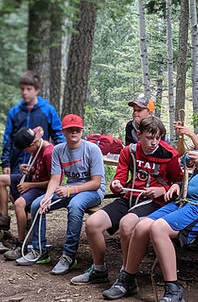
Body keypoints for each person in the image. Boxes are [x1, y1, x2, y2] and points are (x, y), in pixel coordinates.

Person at [102, 113, 198, 302]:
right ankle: (128, 278)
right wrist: (177, 181)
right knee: (141, 225)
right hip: (184, 202)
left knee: (158, 228)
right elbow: (182, 168)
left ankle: (173, 289)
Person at [70, 116, 182, 286]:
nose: (154, 142)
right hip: (129, 198)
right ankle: (99, 269)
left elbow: (179, 183)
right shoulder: (128, 151)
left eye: (158, 138)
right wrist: (116, 185)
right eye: (149, 137)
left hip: (154, 202)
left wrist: (163, 190)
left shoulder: (169, 155)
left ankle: (127, 275)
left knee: (126, 224)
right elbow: (120, 180)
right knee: (92, 224)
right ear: (139, 134)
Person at [16, 114, 105, 275]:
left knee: (75, 205)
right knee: (37, 204)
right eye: (70, 129)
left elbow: (96, 182)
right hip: (69, 188)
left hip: (92, 191)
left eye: (77, 129)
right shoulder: (58, 150)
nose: (74, 132)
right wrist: (47, 197)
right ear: (63, 132)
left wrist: (71, 190)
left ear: (82, 130)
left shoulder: (92, 149)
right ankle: (39, 250)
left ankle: (69, 256)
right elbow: (55, 179)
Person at [0, 128, 54, 260]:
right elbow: (38, 170)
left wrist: (30, 185)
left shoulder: (48, 153)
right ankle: (4, 219)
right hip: (33, 180)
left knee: (19, 203)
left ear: (32, 144)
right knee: (0, 179)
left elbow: (54, 181)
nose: (25, 152)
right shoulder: (36, 147)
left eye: (25, 149)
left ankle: (21, 243)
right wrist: (29, 169)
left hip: (41, 187)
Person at [0, 72, 63, 176]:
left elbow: (58, 134)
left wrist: (62, 156)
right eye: (22, 89)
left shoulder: (48, 110)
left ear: (37, 90)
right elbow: (8, 138)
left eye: (29, 89)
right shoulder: (14, 112)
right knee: (17, 190)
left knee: (37, 191)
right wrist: (5, 163)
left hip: (40, 162)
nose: (25, 92)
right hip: (17, 162)